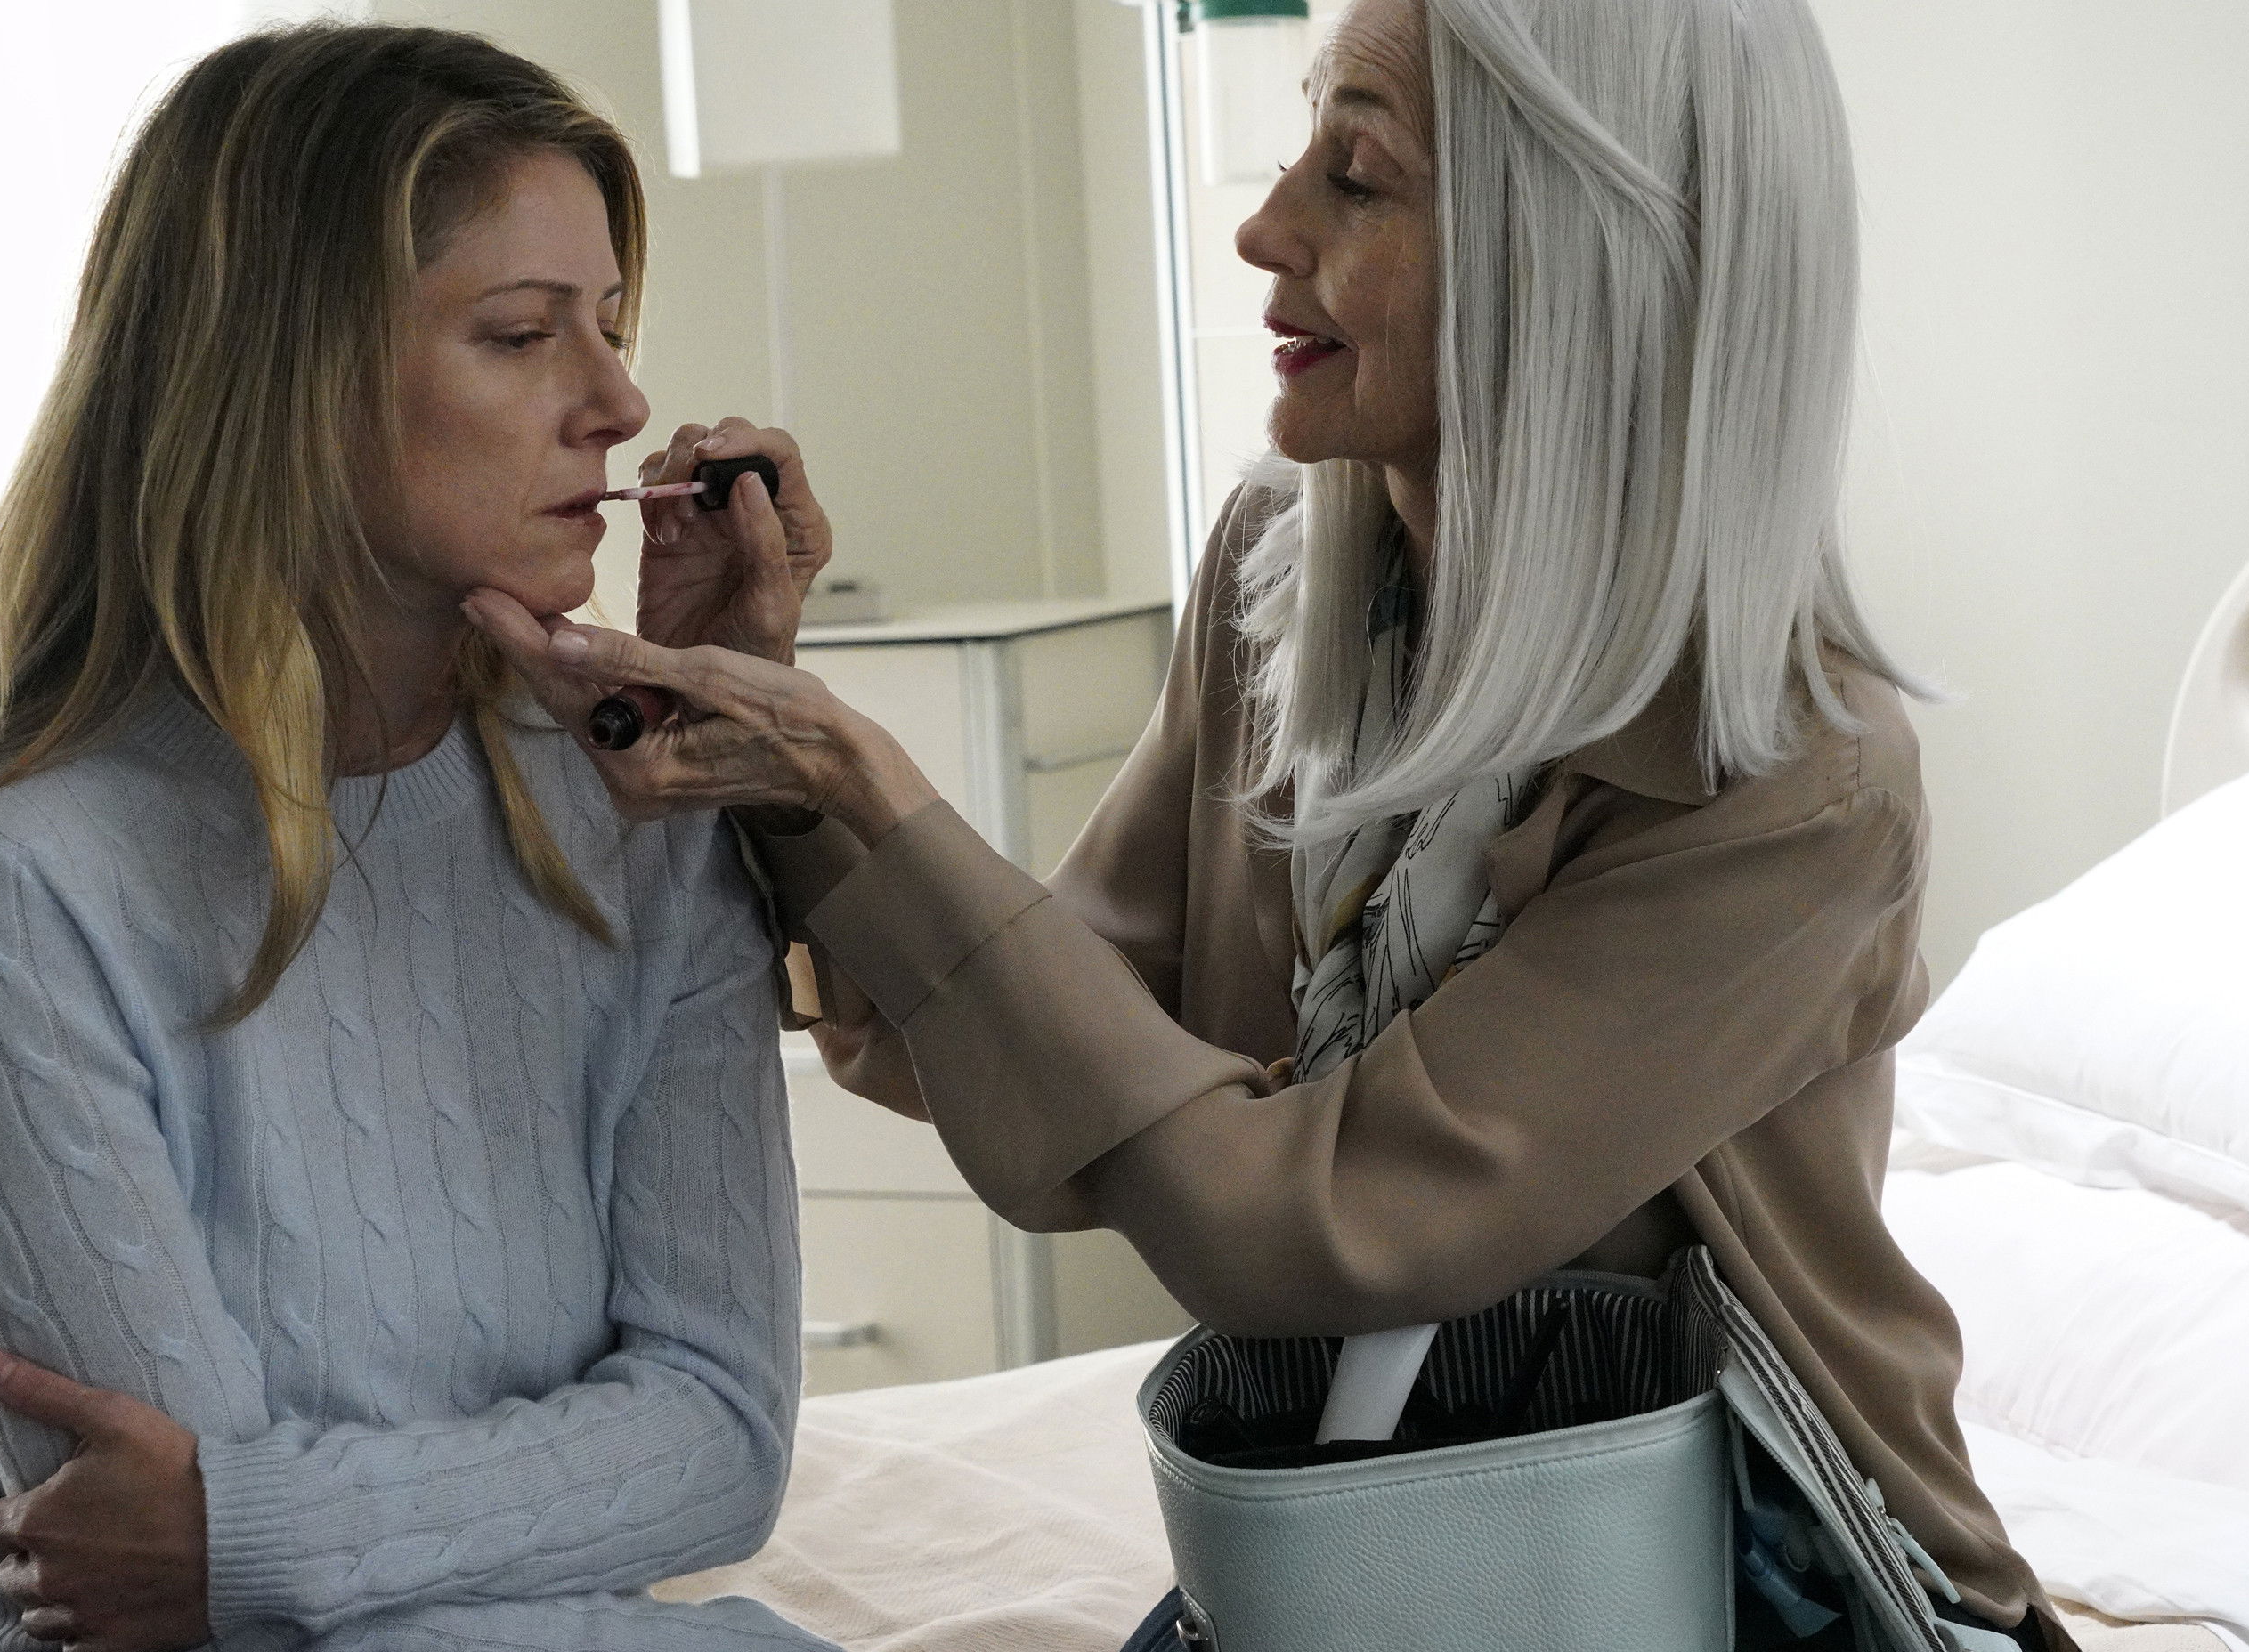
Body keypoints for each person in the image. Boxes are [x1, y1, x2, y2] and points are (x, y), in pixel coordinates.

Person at [471, 0, 2075, 1645]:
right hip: (1388, 1555)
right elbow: (1046, 1052)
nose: (1264, 224)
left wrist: (860, 785)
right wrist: (777, 751)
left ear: (1570, 257)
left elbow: (1311, 1228)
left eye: (1356, 177)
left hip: (1753, 1583)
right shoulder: (1282, 579)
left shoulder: (1793, 784)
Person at [0, 26, 827, 1652]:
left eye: (612, 324)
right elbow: (152, 1585)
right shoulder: (7, 860)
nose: (619, 403)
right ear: (287, 379)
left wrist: (256, 1528)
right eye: (522, 334)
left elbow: (721, 1440)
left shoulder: (630, 791)